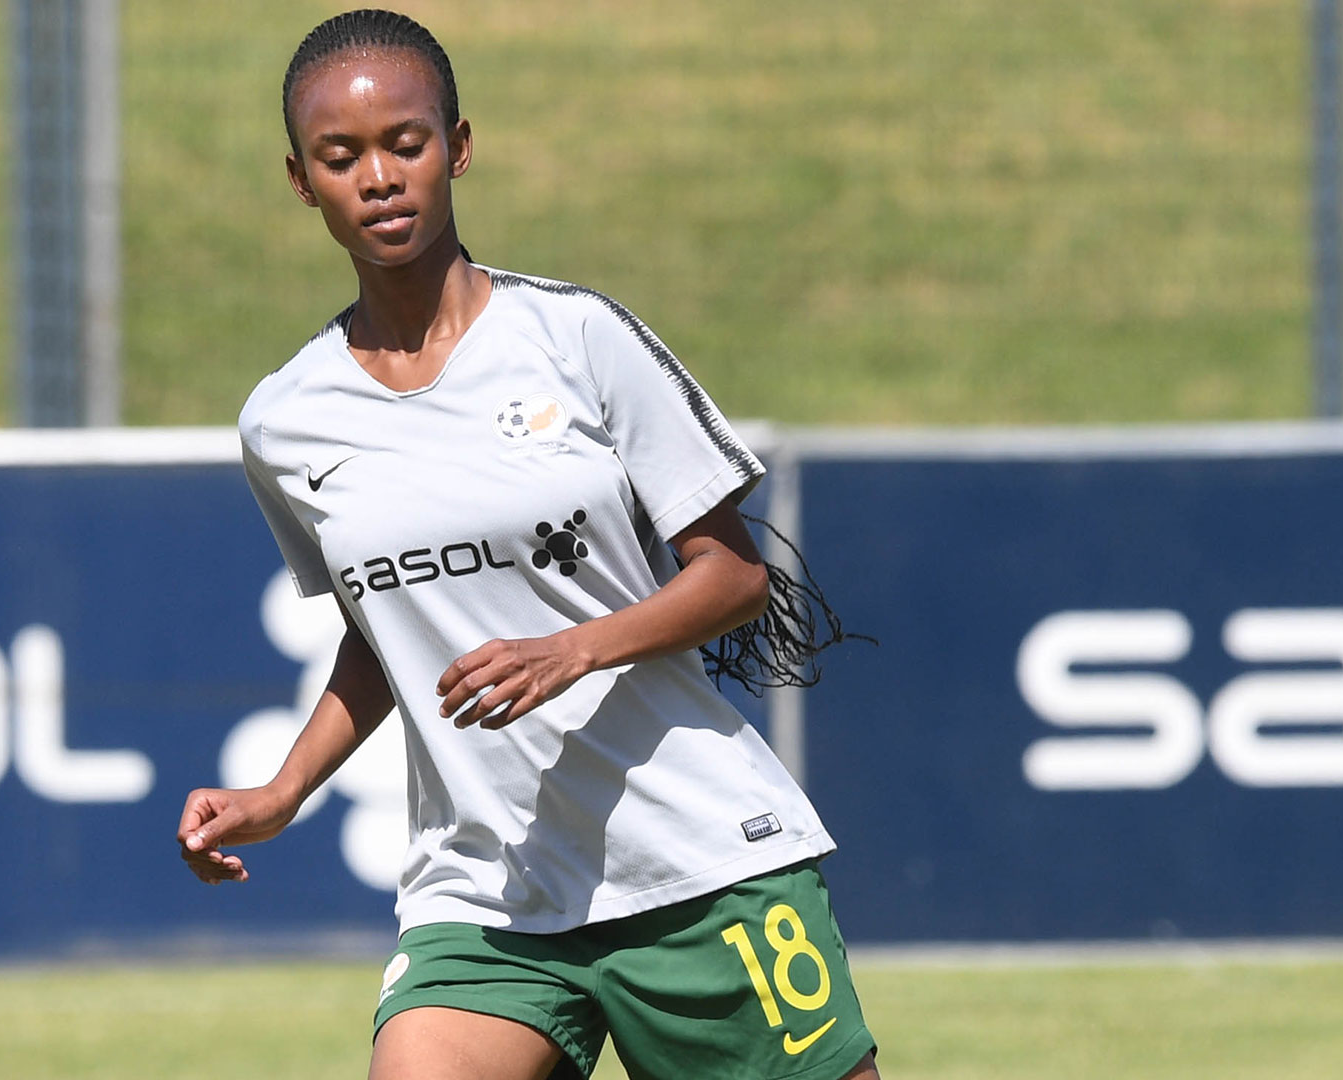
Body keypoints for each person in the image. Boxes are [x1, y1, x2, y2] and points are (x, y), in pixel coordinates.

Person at [176, 10, 879, 1080]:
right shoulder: (285, 419)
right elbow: (385, 639)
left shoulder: (578, 338)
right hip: (484, 894)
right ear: (300, 179)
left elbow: (737, 578)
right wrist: (285, 790)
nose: (378, 177)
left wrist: (573, 647)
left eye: (405, 143)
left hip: (690, 864)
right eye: (341, 156)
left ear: (457, 148)